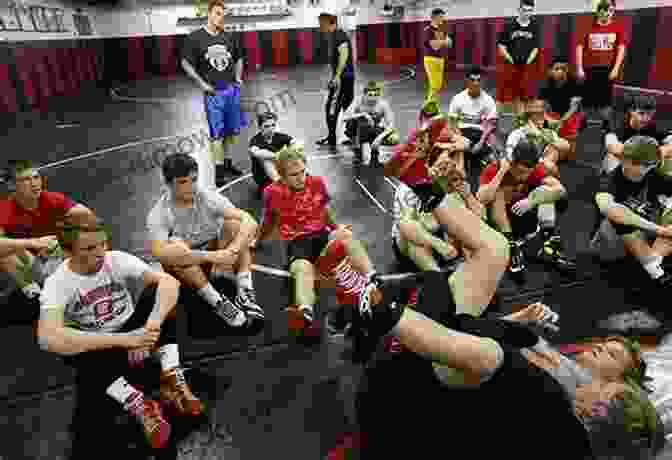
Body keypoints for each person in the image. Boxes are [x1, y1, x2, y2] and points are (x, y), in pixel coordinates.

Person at [354, 270, 663, 459]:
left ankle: (367, 305)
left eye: (605, 386)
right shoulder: (568, 416)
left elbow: (460, 347)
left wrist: (379, 308)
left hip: (390, 400)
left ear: (595, 410)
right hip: (416, 389)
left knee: (439, 287)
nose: (596, 382)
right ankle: (373, 310)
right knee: (457, 281)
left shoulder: (543, 393)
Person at [36, 220, 203, 455]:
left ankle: (172, 373)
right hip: (104, 351)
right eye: (89, 249)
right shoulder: (58, 283)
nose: (100, 253)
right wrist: (126, 341)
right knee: (71, 347)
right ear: (67, 251)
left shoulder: (116, 259)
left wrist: (149, 328)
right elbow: (45, 338)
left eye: (103, 244)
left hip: (136, 336)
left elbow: (169, 282)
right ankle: (140, 404)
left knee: (160, 293)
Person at [255, 144, 379, 340]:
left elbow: (323, 210)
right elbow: (269, 219)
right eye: (294, 174)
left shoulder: (317, 182)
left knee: (346, 235)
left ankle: (373, 278)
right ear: (282, 175)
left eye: (303, 171)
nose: (301, 177)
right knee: (303, 269)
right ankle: (305, 310)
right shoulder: (272, 192)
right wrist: (258, 238)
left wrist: (336, 228)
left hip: (321, 235)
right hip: (297, 242)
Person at [147, 154, 263, 329]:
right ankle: (218, 303)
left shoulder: (207, 197)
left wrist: (232, 251)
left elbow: (249, 221)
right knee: (175, 249)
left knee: (236, 224)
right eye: (183, 182)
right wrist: (214, 257)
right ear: (168, 184)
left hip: (214, 254)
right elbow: (161, 254)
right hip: (187, 268)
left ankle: (245, 290)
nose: (191, 187)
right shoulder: (159, 214)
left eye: (194, 180)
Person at [0, 160, 96, 301]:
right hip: (29, 264)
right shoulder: (4, 209)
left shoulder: (52, 199)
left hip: (58, 259)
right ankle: (31, 289)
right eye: (26, 180)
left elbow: (90, 219)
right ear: (11, 186)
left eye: (36, 177)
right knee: (8, 248)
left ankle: (70, 280)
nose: (34, 184)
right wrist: (34, 243)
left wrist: (64, 243)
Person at [479, 140, 575, 274]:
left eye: (527, 172)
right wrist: (501, 173)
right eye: (520, 171)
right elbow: (481, 199)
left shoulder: (534, 169)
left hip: (523, 217)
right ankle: (511, 246)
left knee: (546, 190)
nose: (523, 176)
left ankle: (550, 240)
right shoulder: (495, 168)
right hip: (498, 221)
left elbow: (560, 190)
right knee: (499, 193)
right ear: (512, 163)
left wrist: (531, 201)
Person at [592, 136, 672, 290]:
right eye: (645, 164)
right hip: (611, 246)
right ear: (626, 161)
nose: (649, 168)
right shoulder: (608, 183)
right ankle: (653, 268)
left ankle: (651, 262)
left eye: (652, 164)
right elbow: (609, 209)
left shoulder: (652, 174)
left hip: (644, 241)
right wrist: (660, 230)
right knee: (618, 214)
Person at [181, 0, 246, 186]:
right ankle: (218, 171)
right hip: (213, 93)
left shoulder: (229, 37)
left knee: (231, 132)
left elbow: (239, 57)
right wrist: (201, 84)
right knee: (217, 133)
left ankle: (227, 163)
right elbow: (185, 63)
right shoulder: (195, 38)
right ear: (209, 14)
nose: (221, 18)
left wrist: (239, 77)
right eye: (217, 13)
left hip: (231, 90)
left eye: (223, 14)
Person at [576, 0, 627, 134]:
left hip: (608, 69)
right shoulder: (587, 26)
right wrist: (580, 67)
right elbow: (580, 47)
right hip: (590, 68)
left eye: (611, 11)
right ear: (599, 11)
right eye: (606, 11)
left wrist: (616, 68)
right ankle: (583, 121)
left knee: (606, 98)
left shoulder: (617, 28)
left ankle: (606, 123)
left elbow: (621, 49)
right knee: (587, 97)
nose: (609, 14)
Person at [447, 65, 500, 188]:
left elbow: (490, 126)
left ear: (482, 81)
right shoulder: (458, 99)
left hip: (480, 136)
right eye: (472, 80)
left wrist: (480, 143)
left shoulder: (488, 100)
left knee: (495, 161)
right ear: (467, 81)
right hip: (461, 135)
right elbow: (452, 124)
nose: (476, 83)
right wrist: (461, 140)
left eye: (478, 80)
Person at [601, 93, 672, 175]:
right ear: (631, 111)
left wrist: (660, 151)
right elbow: (613, 147)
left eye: (649, 114)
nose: (645, 119)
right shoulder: (617, 127)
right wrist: (646, 153)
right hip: (617, 168)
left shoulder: (653, 127)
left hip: (643, 168)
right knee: (617, 159)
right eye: (641, 113)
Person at [316, 10, 355, 148]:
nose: (320, 26)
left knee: (331, 107)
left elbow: (344, 54)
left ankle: (332, 137)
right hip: (346, 77)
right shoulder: (335, 35)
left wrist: (337, 77)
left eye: (321, 23)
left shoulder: (338, 34)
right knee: (348, 107)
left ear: (328, 22)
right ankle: (353, 136)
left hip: (343, 78)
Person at [506, 95, 572, 178]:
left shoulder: (549, 133)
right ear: (529, 118)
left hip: (541, 169)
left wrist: (542, 136)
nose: (540, 118)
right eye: (535, 115)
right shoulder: (518, 133)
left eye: (541, 114)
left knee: (554, 149)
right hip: (524, 168)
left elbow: (566, 147)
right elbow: (509, 156)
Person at [496, 0, 540, 115]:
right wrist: (511, 60)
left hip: (526, 67)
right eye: (524, 10)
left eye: (530, 10)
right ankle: (492, 122)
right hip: (511, 66)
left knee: (525, 96)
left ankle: (523, 123)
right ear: (519, 10)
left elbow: (536, 48)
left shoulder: (535, 26)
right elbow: (501, 46)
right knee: (504, 97)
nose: (527, 13)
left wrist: (528, 62)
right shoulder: (508, 26)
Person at [342, 80, 400, 166]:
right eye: (370, 95)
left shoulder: (383, 104)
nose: (373, 98)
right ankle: (358, 149)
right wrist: (363, 114)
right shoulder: (358, 101)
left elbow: (391, 125)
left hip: (373, 129)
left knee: (394, 138)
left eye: (376, 95)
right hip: (358, 131)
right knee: (356, 122)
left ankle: (374, 153)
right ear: (364, 95)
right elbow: (344, 117)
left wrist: (379, 138)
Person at [538, 57, 585, 160]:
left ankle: (566, 143)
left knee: (569, 156)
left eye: (563, 68)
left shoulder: (575, 83)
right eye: (557, 69)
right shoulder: (545, 84)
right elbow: (540, 106)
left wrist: (560, 122)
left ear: (567, 69)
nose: (560, 71)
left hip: (571, 116)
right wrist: (547, 119)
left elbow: (574, 108)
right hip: (553, 115)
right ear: (550, 71)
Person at [249, 111, 296, 195]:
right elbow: (255, 151)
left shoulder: (279, 136)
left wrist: (291, 151)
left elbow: (294, 143)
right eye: (266, 126)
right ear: (260, 127)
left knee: (294, 153)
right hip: (263, 176)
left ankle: (289, 181)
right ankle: (281, 184)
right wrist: (277, 156)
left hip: (279, 171)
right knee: (265, 158)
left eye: (273, 125)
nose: (271, 129)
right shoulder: (256, 140)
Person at [422, 8, 452, 103]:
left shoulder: (443, 29)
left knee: (437, 85)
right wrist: (444, 41)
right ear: (435, 17)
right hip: (430, 59)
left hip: (440, 59)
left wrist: (441, 42)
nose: (443, 19)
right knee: (435, 85)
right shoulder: (428, 30)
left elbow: (450, 44)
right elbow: (434, 46)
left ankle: (431, 103)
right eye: (441, 17)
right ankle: (429, 106)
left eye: (443, 17)